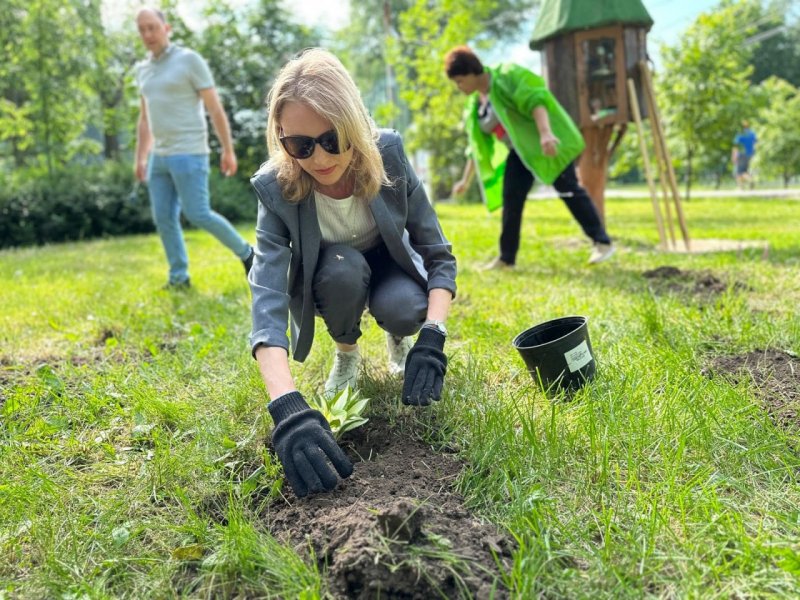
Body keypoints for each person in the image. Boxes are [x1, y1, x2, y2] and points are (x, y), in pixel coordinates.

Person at [249, 49, 457, 497]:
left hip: (387, 263)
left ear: (354, 126)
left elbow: (438, 256)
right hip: (334, 270)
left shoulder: (390, 156)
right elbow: (266, 298)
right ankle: (347, 351)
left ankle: (397, 336)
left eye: (331, 139)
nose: (318, 158)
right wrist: (286, 404)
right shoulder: (275, 189)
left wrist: (434, 334)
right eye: (299, 145)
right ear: (281, 139)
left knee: (404, 309)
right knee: (342, 273)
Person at [445, 46, 615, 268]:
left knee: (569, 190)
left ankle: (602, 243)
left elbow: (535, 99)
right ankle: (507, 258)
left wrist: (545, 134)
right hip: (521, 152)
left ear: (472, 72)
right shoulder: (476, 104)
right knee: (511, 199)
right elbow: (476, 147)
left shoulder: (506, 76)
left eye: (460, 81)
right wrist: (465, 180)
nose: (459, 87)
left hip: (546, 143)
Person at [133, 7, 254, 288]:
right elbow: (144, 117)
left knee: (198, 212)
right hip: (159, 156)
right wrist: (141, 157)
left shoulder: (189, 61)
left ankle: (247, 253)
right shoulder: (142, 70)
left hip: (189, 152)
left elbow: (214, 108)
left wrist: (228, 149)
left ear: (167, 28)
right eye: (142, 29)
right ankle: (179, 277)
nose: (148, 34)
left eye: (153, 27)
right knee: (163, 217)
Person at [732, 120, 757, 189]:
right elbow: (755, 144)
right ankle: (741, 187)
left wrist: (734, 156)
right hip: (750, 155)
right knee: (744, 171)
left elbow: (735, 146)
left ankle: (749, 181)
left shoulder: (740, 134)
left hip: (741, 154)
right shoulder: (752, 133)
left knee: (739, 172)